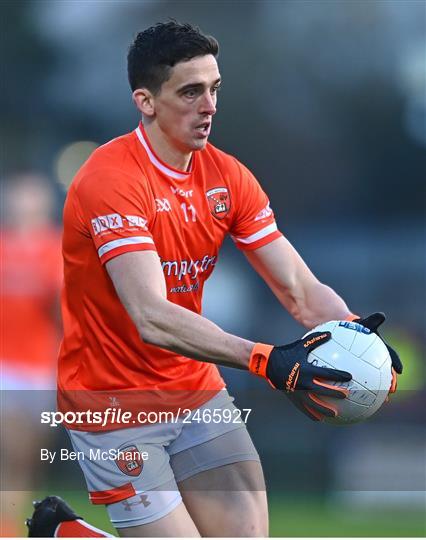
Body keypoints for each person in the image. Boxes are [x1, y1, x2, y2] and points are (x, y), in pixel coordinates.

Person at [37, 21, 402, 538]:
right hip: (114, 403)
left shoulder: (228, 176)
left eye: (214, 89)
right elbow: (151, 317)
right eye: (190, 92)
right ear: (146, 101)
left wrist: (359, 339)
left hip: (195, 389)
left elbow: (299, 289)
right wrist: (265, 359)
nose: (208, 105)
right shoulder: (110, 179)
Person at [0, 173, 62, 536]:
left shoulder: (55, 247)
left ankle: (15, 519)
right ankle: (5, 525)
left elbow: (62, 311)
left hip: (41, 367)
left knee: (28, 457)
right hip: (5, 365)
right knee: (8, 449)